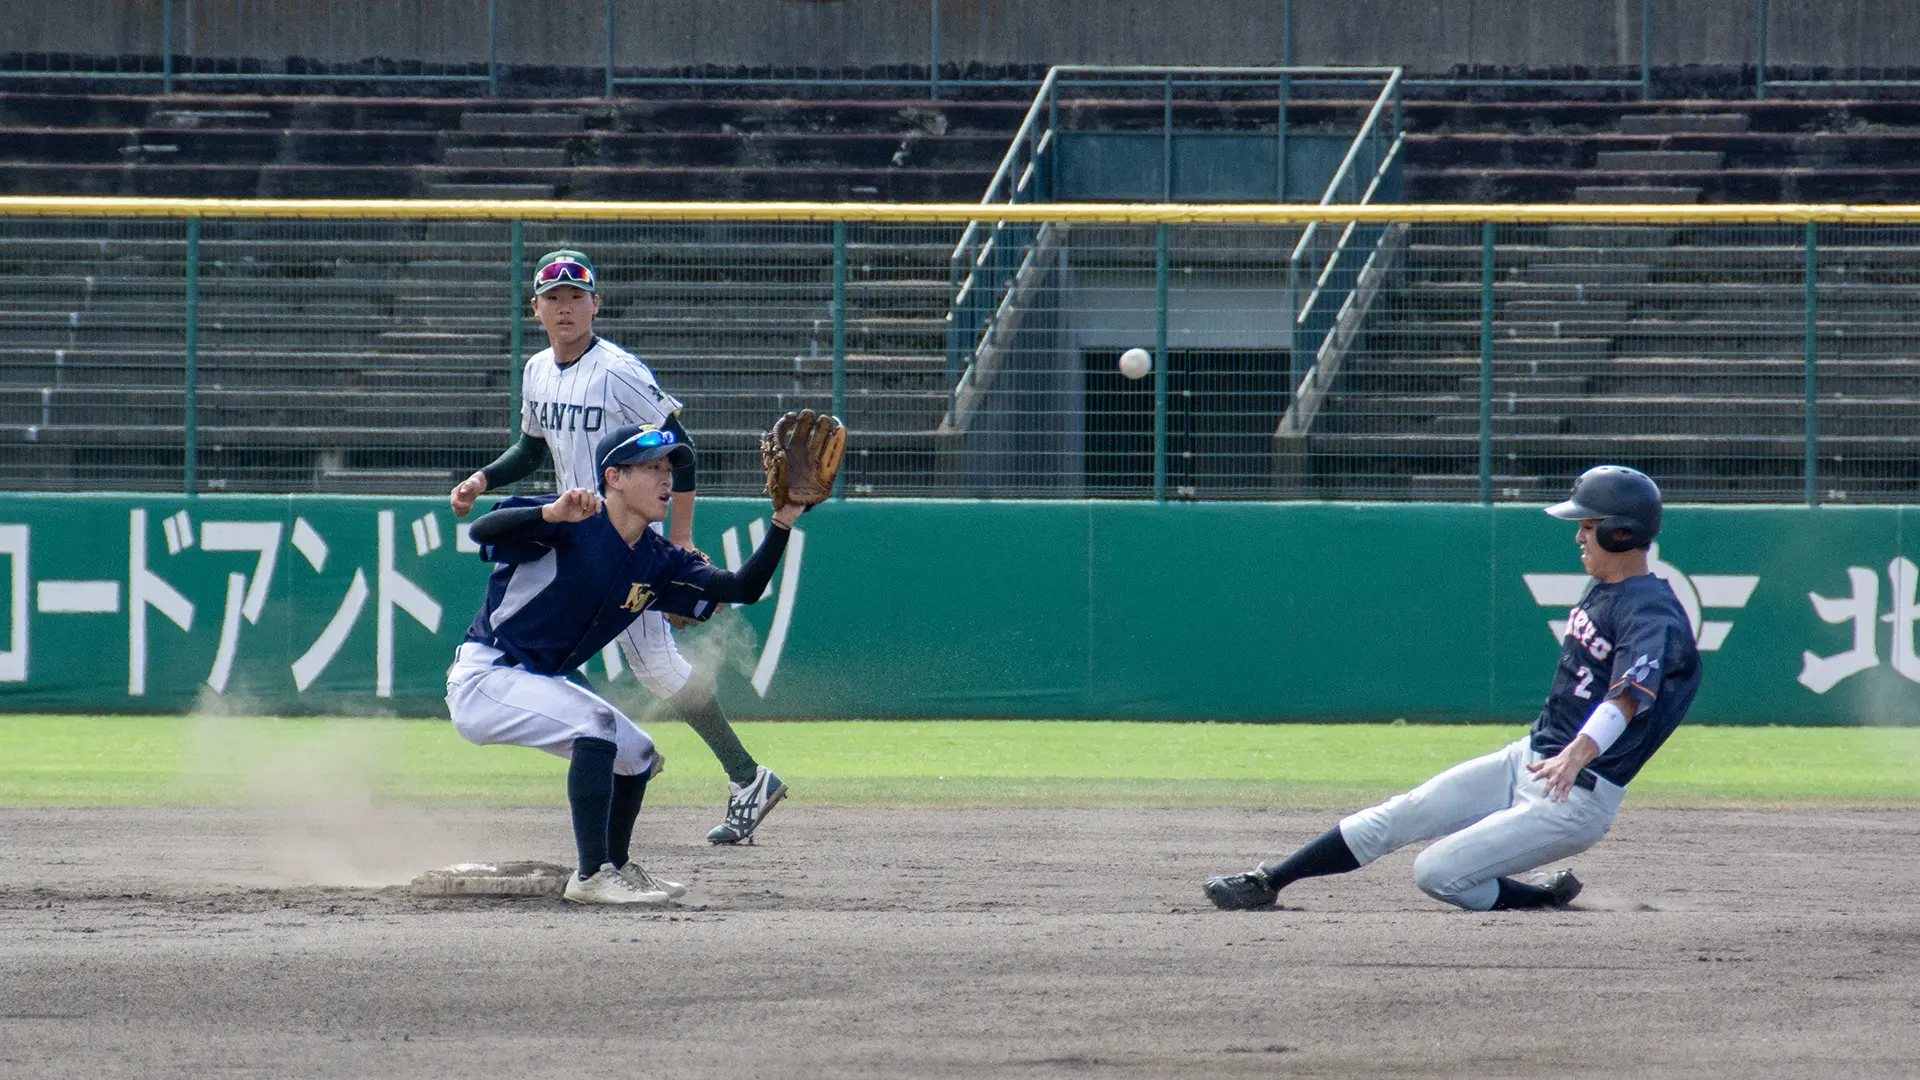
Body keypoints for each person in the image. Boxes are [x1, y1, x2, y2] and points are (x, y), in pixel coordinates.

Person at [1204, 465, 1702, 913]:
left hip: (1575, 795)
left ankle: (1542, 897)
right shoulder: (1606, 588)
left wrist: (1576, 755)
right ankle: (1268, 882)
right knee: (1405, 811)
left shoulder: (1650, 610)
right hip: (1529, 759)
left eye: (1589, 527)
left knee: (1436, 872)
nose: (1579, 537)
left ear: (1622, 533)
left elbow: (1628, 696)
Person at [449, 249, 784, 845]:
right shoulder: (536, 370)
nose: (565, 307)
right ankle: (730, 775)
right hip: (573, 531)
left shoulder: (619, 371)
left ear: (595, 304)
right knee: (602, 650)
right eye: (553, 298)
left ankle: (742, 776)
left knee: (655, 665)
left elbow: (681, 449)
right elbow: (531, 449)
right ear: (537, 308)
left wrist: (680, 539)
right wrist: (483, 480)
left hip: (629, 534)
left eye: (577, 296)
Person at [445, 423, 810, 905]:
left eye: (669, 468)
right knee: (595, 725)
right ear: (613, 476)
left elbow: (741, 587)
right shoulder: (571, 517)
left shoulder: (659, 559)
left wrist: (783, 520)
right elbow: (481, 530)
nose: (667, 480)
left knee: (636, 752)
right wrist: (549, 513)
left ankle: (616, 866)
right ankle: (592, 875)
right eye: (653, 468)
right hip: (487, 676)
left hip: (536, 682)